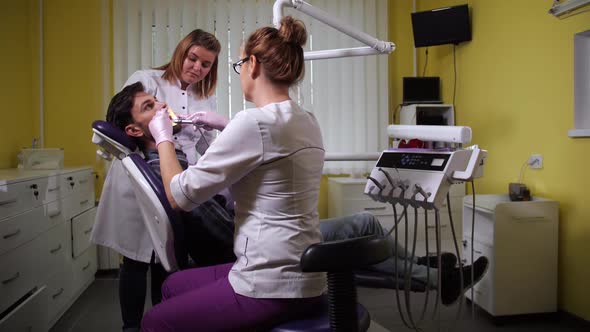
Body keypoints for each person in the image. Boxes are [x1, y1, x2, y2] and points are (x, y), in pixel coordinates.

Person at [143, 17, 488, 331]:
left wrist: (162, 136)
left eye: (238, 64)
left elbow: (179, 195)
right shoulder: (305, 119)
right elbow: (267, 151)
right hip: (301, 271)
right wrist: (225, 127)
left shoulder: (253, 123)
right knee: (173, 286)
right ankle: (433, 271)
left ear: (252, 64)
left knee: (155, 321)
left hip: (269, 283)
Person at [91, 28, 224, 332]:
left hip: (176, 181)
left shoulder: (204, 97)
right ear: (182, 51)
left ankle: (161, 323)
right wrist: (165, 134)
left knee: (168, 261)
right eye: (193, 58)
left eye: (205, 65)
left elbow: (204, 147)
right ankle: (131, 327)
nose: (197, 68)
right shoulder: (147, 80)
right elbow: (121, 125)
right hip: (139, 181)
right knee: (136, 260)